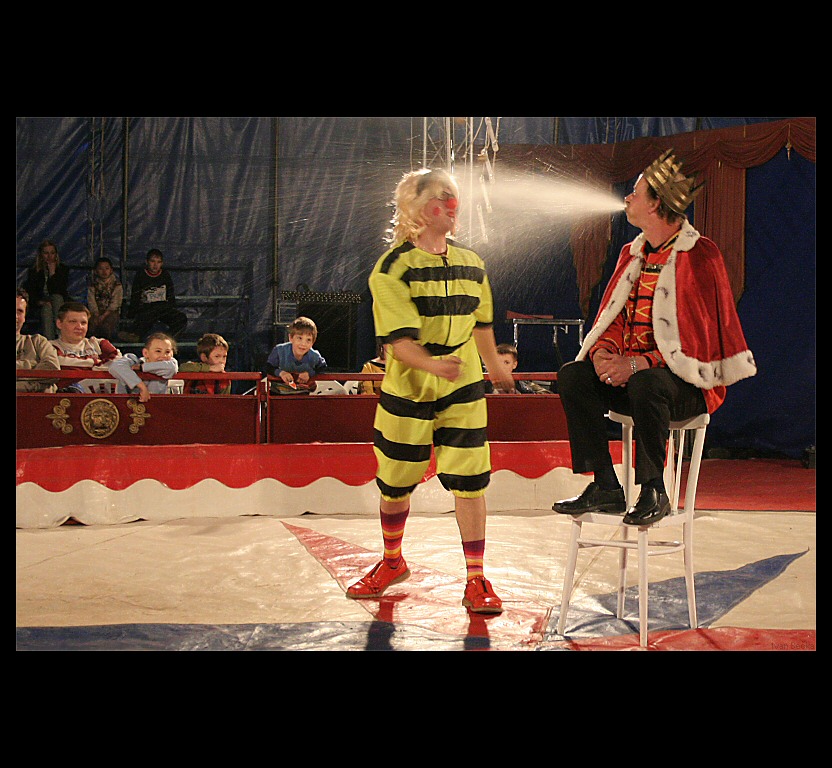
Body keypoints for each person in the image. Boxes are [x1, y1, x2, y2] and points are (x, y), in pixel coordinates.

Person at [552, 149, 757, 527]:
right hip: (635, 383)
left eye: (636, 192)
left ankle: (653, 489)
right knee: (573, 375)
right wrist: (603, 354)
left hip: (685, 386)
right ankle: (605, 484)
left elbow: (702, 337)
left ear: (655, 204)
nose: (627, 197)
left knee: (647, 382)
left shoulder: (700, 255)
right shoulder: (631, 255)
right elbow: (614, 317)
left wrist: (639, 363)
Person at [345, 168, 515, 615]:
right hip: (409, 387)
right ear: (418, 206)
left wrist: (494, 365)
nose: (454, 204)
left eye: (455, 195)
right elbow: (399, 343)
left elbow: (481, 324)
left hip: (462, 387)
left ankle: (476, 578)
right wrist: (434, 365)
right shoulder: (392, 268)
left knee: (471, 480)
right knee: (396, 479)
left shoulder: (472, 263)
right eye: (444, 196)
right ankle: (392, 561)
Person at [50, 301, 121, 391]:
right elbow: (61, 363)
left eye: (83, 323)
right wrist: (98, 364)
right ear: (59, 324)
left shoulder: (99, 343)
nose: (79, 327)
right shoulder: (49, 346)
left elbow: (119, 361)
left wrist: (88, 368)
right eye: (73, 322)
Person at [124, 248, 187, 341]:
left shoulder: (165, 275)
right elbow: (135, 296)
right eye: (152, 261)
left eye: (158, 262)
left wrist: (169, 307)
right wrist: (132, 313)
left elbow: (170, 294)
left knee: (181, 318)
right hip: (147, 309)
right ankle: (135, 335)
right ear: (147, 262)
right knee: (149, 314)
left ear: (162, 263)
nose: (155, 265)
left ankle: (168, 340)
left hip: (163, 309)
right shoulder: (141, 275)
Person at [109, 332, 179, 403]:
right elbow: (115, 366)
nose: (164, 355)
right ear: (146, 353)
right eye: (158, 351)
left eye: (167, 352)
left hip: (156, 406)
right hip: (125, 404)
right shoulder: (134, 361)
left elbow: (171, 368)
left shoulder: (170, 364)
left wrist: (141, 368)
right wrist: (142, 387)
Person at [23, 239, 71, 340]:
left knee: (57, 298)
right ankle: (50, 341)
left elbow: (59, 291)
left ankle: (61, 337)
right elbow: (32, 293)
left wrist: (52, 273)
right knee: (46, 309)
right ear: (41, 255)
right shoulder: (34, 271)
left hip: (58, 303)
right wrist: (41, 302)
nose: (49, 256)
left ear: (56, 255)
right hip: (40, 304)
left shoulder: (62, 269)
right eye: (46, 253)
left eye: (52, 253)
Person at [265, 316, 327, 394]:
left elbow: (323, 367)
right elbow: (268, 367)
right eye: (299, 338)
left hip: (302, 394)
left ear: (313, 342)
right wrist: (281, 373)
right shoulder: (279, 351)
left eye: (308, 340)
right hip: (278, 394)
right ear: (291, 338)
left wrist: (309, 373)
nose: (303, 344)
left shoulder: (314, 356)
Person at [16, 288, 60, 393]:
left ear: (25, 317)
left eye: (20, 311)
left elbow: (52, 370)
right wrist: (33, 365)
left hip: (42, 403)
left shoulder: (39, 342)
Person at [87, 256, 124, 340]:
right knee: (91, 324)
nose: (104, 271)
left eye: (107, 268)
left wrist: (104, 315)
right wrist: (96, 314)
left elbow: (115, 303)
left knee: (107, 326)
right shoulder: (92, 285)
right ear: (96, 271)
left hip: (111, 313)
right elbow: (91, 301)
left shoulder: (117, 285)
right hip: (96, 312)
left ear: (111, 270)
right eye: (101, 269)